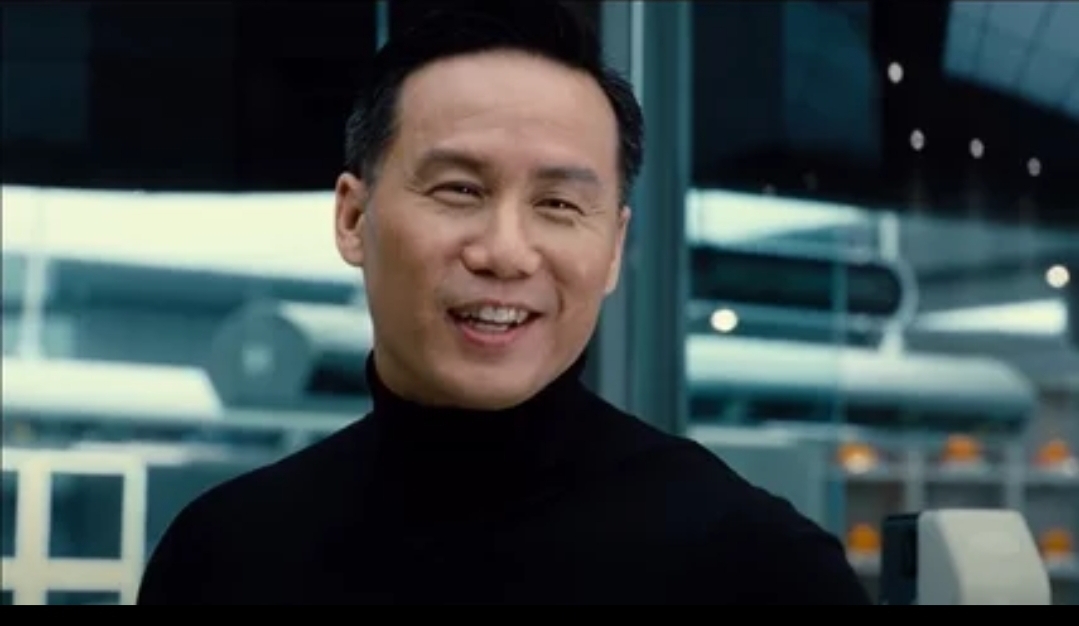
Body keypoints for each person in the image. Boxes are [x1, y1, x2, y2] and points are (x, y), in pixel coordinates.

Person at [137, 1, 871, 605]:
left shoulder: (758, 569)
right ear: (354, 218)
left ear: (614, 248)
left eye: (558, 204)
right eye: (460, 189)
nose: (506, 252)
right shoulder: (223, 557)